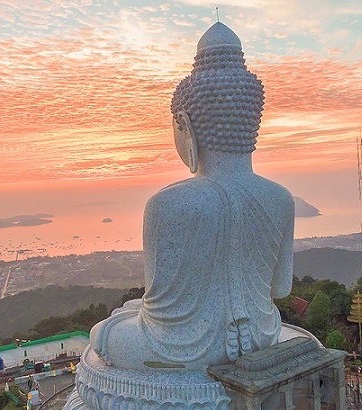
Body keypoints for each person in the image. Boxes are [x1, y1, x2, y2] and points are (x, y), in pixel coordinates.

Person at [90, 22, 294, 371]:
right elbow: (280, 290)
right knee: (130, 312)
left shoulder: (168, 204)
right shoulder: (281, 198)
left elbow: (159, 315)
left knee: (104, 332)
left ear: (184, 124)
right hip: (261, 336)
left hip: (184, 351)